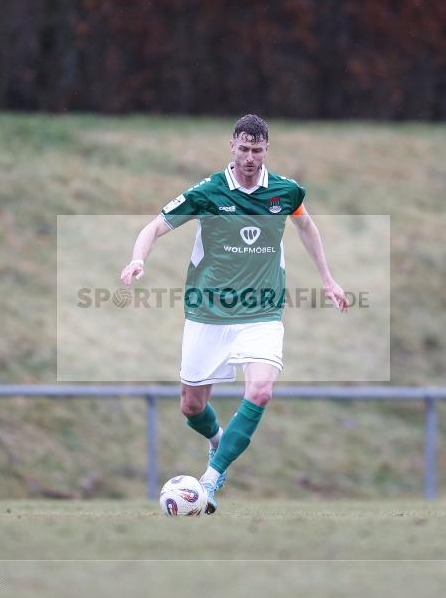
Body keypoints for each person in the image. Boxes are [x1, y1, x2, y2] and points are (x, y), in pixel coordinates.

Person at [121, 114, 347, 514]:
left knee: (260, 390)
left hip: (262, 312)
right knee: (191, 406)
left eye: (256, 150)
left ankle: (212, 477)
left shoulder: (285, 193)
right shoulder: (208, 191)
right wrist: (138, 260)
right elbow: (153, 227)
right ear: (231, 147)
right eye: (243, 149)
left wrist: (328, 280)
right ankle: (218, 440)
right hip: (208, 312)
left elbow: (306, 227)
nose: (249, 157)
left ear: (266, 151)